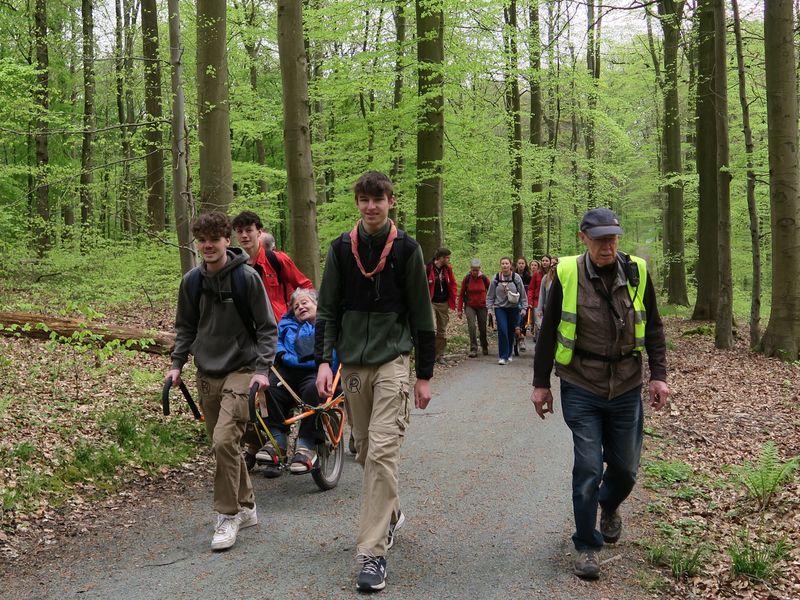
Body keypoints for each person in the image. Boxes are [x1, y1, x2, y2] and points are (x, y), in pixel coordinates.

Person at [530, 207, 669, 580]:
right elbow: (547, 333)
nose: (607, 245)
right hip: (581, 382)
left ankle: (609, 507)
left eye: (613, 237)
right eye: (599, 238)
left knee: (625, 469)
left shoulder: (637, 271)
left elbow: (653, 326)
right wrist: (540, 384)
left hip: (626, 383)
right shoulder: (567, 273)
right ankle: (587, 546)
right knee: (589, 466)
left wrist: (659, 376)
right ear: (584, 238)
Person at [315, 171, 435, 592]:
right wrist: (323, 361)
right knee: (365, 450)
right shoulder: (340, 250)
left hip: (393, 361)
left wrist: (424, 375)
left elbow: (423, 315)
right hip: (352, 364)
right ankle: (392, 512)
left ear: (391, 201)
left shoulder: (407, 250)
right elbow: (326, 310)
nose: (371, 206)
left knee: (383, 450)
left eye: (378, 199)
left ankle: (372, 553)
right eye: (364, 199)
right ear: (357, 204)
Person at [166, 212, 277, 551]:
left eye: (215, 238)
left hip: (243, 369)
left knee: (224, 439)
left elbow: (268, 328)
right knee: (224, 445)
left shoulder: (246, 278)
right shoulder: (192, 282)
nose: (208, 245)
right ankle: (248, 506)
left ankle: (227, 516)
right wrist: (176, 364)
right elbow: (185, 327)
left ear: (227, 240)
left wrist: (262, 370)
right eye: (202, 240)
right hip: (206, 371)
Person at [232, 210, 313, 323]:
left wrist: (304, 315)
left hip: (279, 328)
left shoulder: (276, 259)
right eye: (240, 231)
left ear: (259, 232)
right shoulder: (234, 266)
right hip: (249, 330)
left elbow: (305, 285)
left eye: (249, 230)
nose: (244, 235)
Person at [486, 257, 528, 365]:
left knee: (510, 331)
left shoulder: (516, 277)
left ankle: (509, 353)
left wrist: (524, 308)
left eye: (507, 263)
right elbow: (490, 295)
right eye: (503, 263)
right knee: (502, 330)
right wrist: (490, 309)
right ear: (500, 265)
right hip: (500, 308)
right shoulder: (495, 278)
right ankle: (503, 356)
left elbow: (523, 293)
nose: (505, 265)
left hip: (514, 308)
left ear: (510, 265)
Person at [426, 248, 457, 365]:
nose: (449, 260)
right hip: (431, 302)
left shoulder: (447, 270)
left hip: (443, 303)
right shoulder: (428, 268)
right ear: (441, 258)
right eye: (447, 257)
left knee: (442, 331)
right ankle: (429, 354)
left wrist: (452, 300)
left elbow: (453, 284)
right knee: (432, 329)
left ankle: (439, 355)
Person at [457, 258, 491, 357]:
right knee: (471, 326)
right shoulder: (467, 278)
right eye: (473, 270)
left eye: (477, 270)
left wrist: (490, 305)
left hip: (482, 306)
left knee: (482, 327)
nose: (475, 272)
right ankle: (473, 348)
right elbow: (462, 294)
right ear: (470, 269)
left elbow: (490, 291)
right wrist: (459, 309)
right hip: (470, 306)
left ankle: (484, 345)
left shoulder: (484, 278)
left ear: (480, 269)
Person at [534, 255, 556, 330]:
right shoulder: (545, 278)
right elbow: (542, 295)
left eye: (554, 263)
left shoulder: (562, 277)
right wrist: (539, 309)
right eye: (552, 263)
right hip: (546, 309)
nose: (553, 265)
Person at [515, 257, 532, 351]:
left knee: (524, 318)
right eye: (519, 263)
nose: (521, 265)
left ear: (525, 265)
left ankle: (522, 338)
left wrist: (529, 302)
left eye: (523, 263)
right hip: (514, 299)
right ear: (516, 264)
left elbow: (531, 290)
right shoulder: (512, 275)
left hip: (525, 300)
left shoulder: (529, 276)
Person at [527, 259, 543, 340]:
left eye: (535, 265)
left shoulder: (551, 274)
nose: (533, 267)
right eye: (532, 265)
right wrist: (530, 301)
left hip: (548, 301)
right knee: (538, 321)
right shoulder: (535, 275)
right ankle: (537, 337)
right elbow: (531, 288)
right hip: (537, 301)